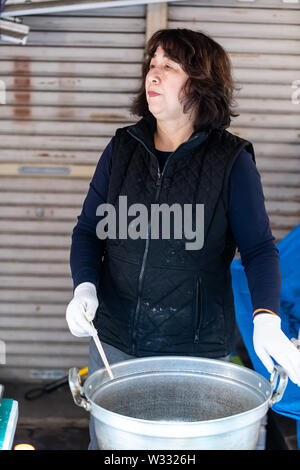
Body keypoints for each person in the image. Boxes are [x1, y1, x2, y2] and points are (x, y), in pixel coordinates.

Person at [66, 28, 300, 449]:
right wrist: (84, 287)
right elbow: (88, 230)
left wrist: (266, 318)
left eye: (169, 67)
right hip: (115, 343)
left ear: (201, 84)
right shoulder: (122, 148)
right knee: (119, 450)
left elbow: (260, 250)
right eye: (151, 65)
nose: (152, 75)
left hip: (195, 352)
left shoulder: (231, 161)